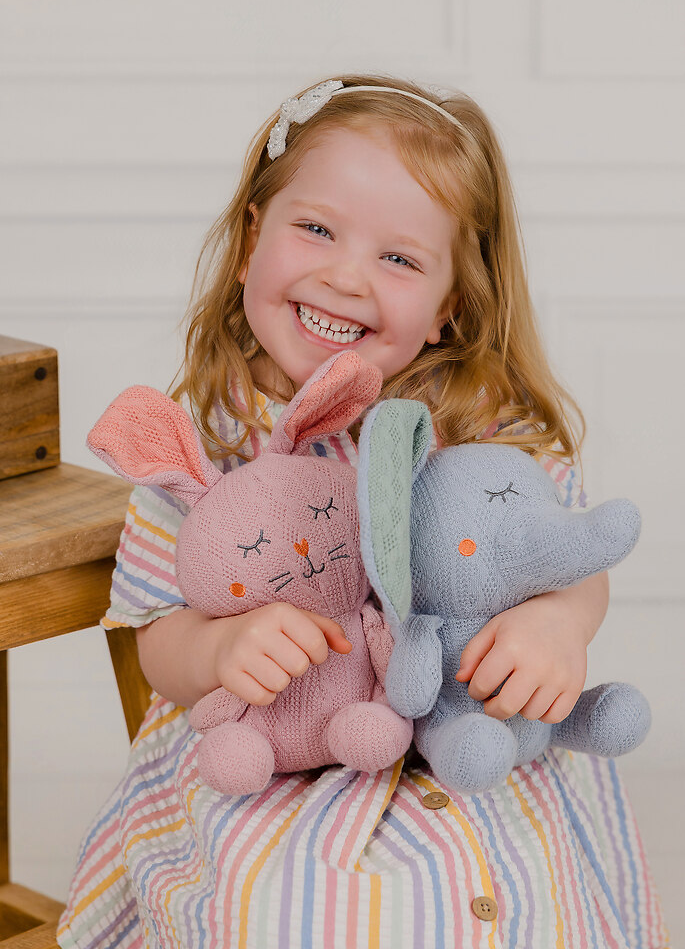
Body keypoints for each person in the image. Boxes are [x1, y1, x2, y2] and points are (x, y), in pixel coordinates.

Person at [57, 75, 666, 949]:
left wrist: (557, 625)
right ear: (249, 242)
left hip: (463, 733)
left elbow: (567, 557)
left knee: (497, 895)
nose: (344, 277)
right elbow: (156, 633)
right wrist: (221, 650)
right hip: (277, 754)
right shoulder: (207, 444)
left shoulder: (481, 427)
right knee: (270, 906)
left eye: (399, 259)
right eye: (315, 229)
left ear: (450, 305)